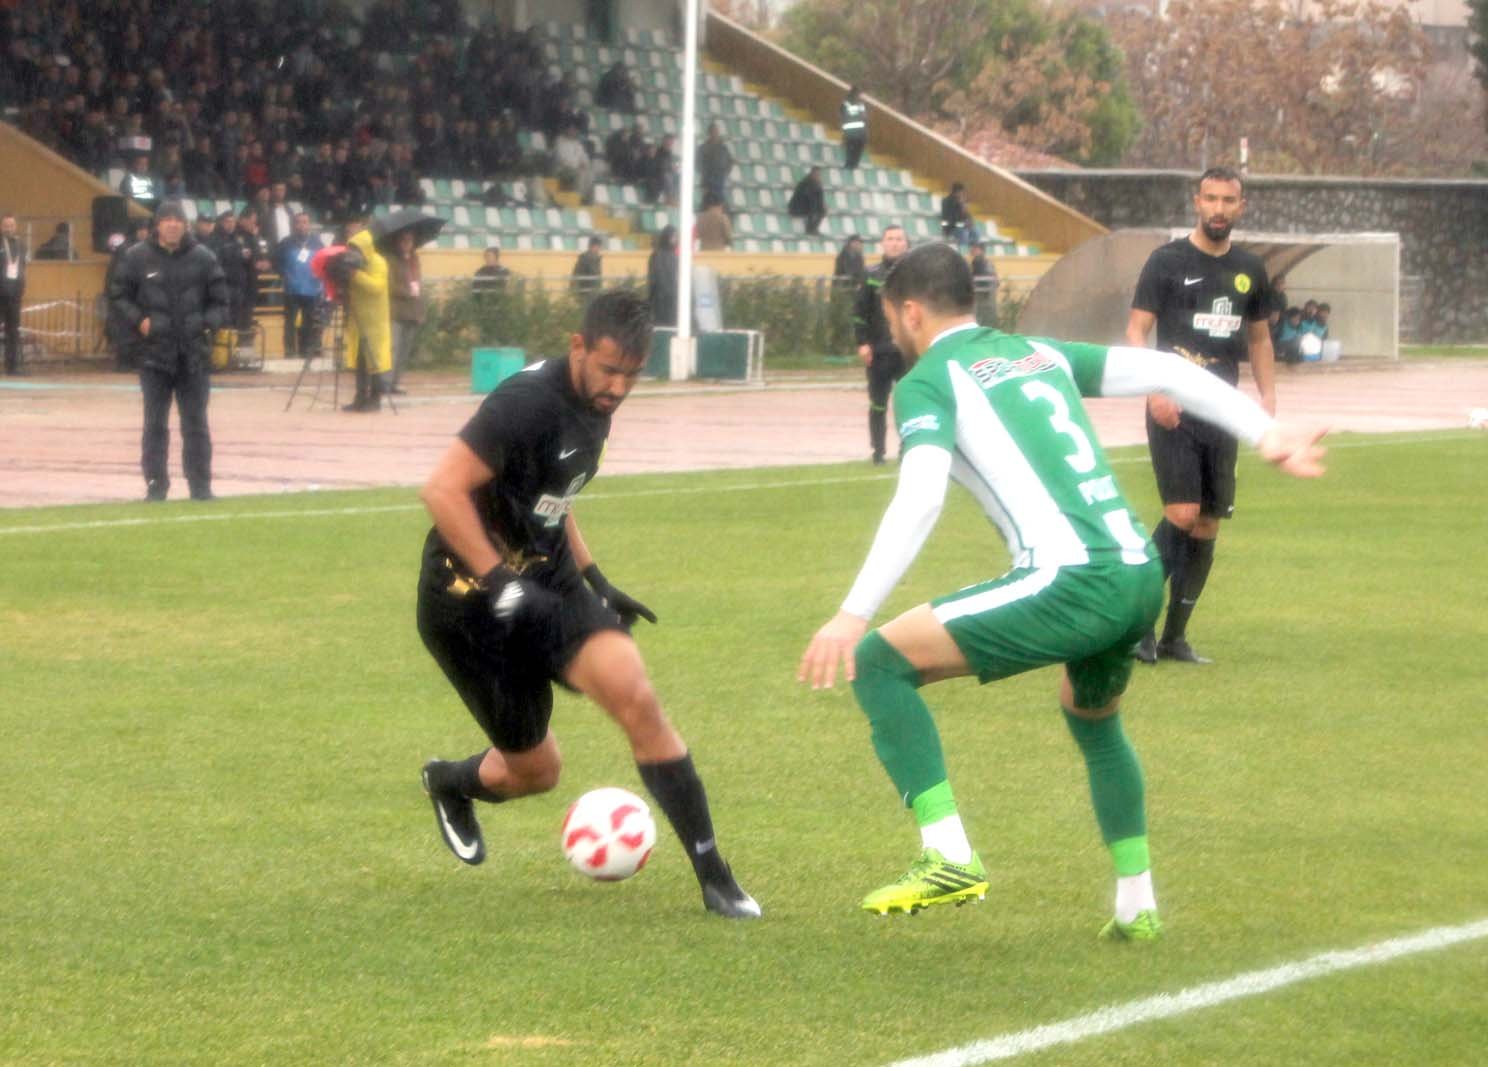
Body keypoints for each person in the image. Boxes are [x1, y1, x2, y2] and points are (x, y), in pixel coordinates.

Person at [798, 242, 1326, 933]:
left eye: (892, 318)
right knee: (1092, 717)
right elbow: (1169, 367)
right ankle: (1137, 905)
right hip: (1139, 573)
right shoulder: (1033, 353)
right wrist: (1264, 431)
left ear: (911, 312)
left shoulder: (926, 382)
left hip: (1071, 578)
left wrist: (851, 612)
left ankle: (948, 855)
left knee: (877, 661)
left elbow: (921, 497)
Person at [416, 289, 760, 920]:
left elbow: (556, 498)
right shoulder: (525, 403)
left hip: (549, 584)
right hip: (466, 607)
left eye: (632, 374)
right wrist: (499, 584)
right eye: (608, 370)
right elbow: (441, 490)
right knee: (536, 771)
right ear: (577, 347)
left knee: (636, 694)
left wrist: (596, 578)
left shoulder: (595, 403)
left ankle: (716, 877)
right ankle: (450, 782)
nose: (618, 386)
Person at [1125, 166, 1278, 665]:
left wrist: (1266, 401)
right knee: (1182, 513)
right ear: (1196, 201)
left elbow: (1259, 337)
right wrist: (1153, 390)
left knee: (1208, 524)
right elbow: (1136, 331)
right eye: (1210, 198)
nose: (1218, 208)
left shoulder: (1251, 269)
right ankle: (1136, 624)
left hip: (1223, 411)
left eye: (1227, 200)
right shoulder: (1166, 261)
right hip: (1172, 406)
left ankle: (1175, 637)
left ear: (1241, 206)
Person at [108, 200, 230, 502]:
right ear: (157, 225)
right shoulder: (136, 257)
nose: (173, 224)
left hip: (194, 355)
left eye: (178, 219)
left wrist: (207, 325)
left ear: (185, 225)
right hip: (154, 356)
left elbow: (221, 300)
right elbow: (118, 295)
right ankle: (156, 486)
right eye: (167, 220)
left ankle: (201, 487)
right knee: (154, 426)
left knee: (196, 425)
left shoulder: (204, 258)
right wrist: (140, 321)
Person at [854, 224, 909, 465]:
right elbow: (859, 312)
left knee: (908, 403)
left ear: (906, 244)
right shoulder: (871, 274)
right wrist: (862, 343)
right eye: (890, 239)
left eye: (899, 239)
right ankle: (878, 452)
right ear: (883, 244)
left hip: (907, 352)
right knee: (878, 403)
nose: (894, 243)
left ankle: (908, 449)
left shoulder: (915, 276)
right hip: (879, 352)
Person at [342, 216, 392, 412]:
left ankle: (375, 399)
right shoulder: (354, 265)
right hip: (359, 319)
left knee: (376, 363)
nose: (354, 253)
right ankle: (360, 398)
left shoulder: (378, 263)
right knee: (360, 361)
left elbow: (376, 287)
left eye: (356, 248)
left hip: (375, 321)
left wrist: (356, 275)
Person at [276, 211, 325, 360]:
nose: (301, 225)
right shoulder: (285, 243)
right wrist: (285, 275)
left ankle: (305, 350)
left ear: (309, 224)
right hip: (291, 289)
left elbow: (323, 263)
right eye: (298, 222)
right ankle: (290, 351)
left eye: (304, 222)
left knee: (308, 321)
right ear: (294, 224)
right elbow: (276, 262)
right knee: (289, 321)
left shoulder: (317, 243)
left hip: (311, 288)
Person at [387, 229, 424, 394]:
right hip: (396, 310)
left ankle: (396, 382)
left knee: (405, 350)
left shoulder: (415, 260)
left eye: (410, 240)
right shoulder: (391, 260)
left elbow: (418, 283)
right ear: (398, 242)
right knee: (393, 348)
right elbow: (389, 285)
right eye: (404, 240)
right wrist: (407, 291)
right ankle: (386, 383)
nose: (407, 244)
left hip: (412, 309)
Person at [1, 213, 26, 376]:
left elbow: (23, 266)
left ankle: (12, 365)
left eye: (12, 225)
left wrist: (22, 286)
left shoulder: (21, 244)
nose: (9, 228)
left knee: (13, 330)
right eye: (6, 225)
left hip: (15, 293)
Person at [647, 226, 678, 328]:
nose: (676, 240)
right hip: (661, 302)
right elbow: (653, 282)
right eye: (673, 237)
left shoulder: (675, 257)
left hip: (671, 302)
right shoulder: (657, 256)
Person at [697, 122, 733, 210]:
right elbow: (698, 163)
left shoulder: (723, 148)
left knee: (719, 201)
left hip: (720, 178)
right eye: (713, 131)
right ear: (709, 133)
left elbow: (730, 161)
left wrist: (725, 173)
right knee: (707, 201)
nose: (715, 133)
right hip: (708, 178)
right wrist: (704, 173)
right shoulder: (703, 148)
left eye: (717, 131)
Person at [787, 167, 827, 236]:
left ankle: (813, 228)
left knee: (822, 210)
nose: (817, 176)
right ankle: (810, 228)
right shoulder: (804, 183)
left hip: (808, 206)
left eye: (818, 175)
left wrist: (823, 206)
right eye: (816, 174)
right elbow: (807, 198)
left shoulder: (817, 185)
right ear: (811, 174)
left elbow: (819, 199)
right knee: (814, 208)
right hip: (798, 207)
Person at [968, 241, 999, 325]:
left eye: (974, 248)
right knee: (990, 315)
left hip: (982, 293)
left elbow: (975, 277)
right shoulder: (988, 262)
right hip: (990, 292)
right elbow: (996, 281)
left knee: (980, 314)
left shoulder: (977, 261)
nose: (971, 250)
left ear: (980, 250)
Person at [939, 183, 979, 248]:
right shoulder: (947, 202)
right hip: (950, 228)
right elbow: (948, 221)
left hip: (961, 226)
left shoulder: (961, 202)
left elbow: (967, 217)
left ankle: (973, 252)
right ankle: (963, 252)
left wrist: (964, 210)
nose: (963, 195)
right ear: (956, 192)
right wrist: (963, 224)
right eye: (962, 193)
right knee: (964, 233)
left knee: (975, 232)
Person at [841, 85, 868, 170]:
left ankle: (851, 165)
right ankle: (851, 165)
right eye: (858, 94)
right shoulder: (858, 104)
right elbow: (864, 117)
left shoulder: (846, 104)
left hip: (855, 133)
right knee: (853, 150)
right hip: (855, 133)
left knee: (854, 150)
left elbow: (842, 117)